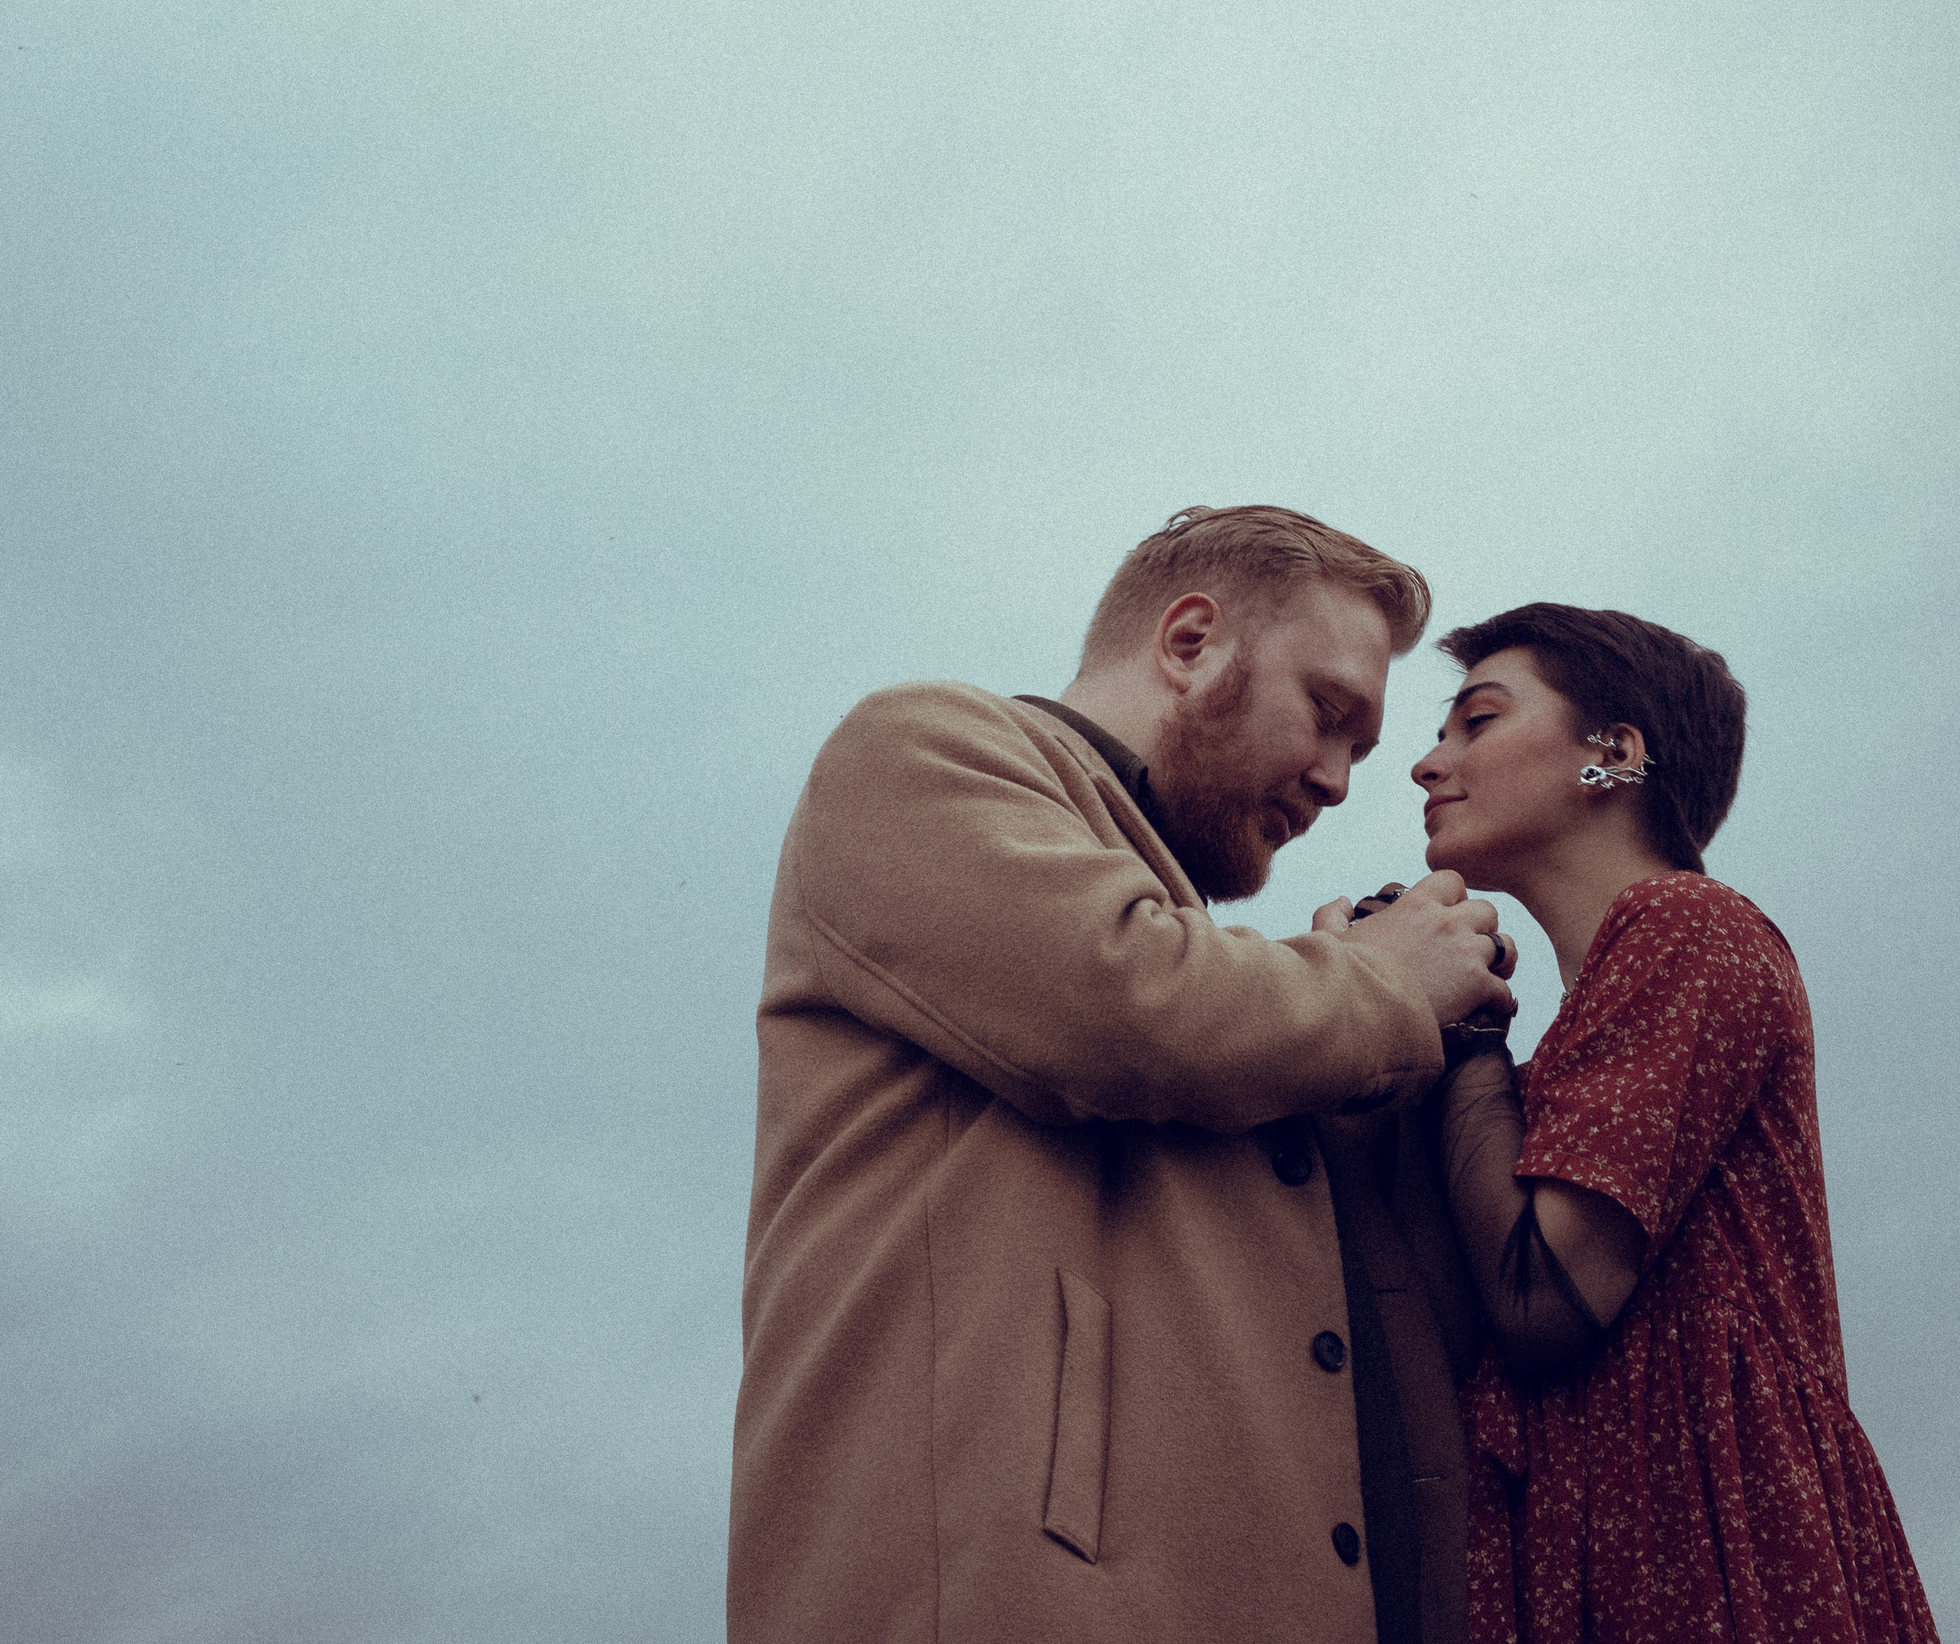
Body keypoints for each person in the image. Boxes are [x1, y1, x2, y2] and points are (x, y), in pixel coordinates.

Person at [729, 506, 1517, 1644]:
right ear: (1189, 642)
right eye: (1329, 712)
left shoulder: (1247, 996)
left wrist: (1396, 1067)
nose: (1342, 778)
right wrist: (1378, 983)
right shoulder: (918, 747)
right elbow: (1127, 1004)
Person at [1399, 604, 1938, 1644]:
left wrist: (1463, 1029)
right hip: (1638, 1532)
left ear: (1614, 752)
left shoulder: (1686, 922)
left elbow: (1540, 1292)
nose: (1426, 762)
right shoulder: (1608, 1001)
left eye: (1475, 719)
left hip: (1701, 1539)